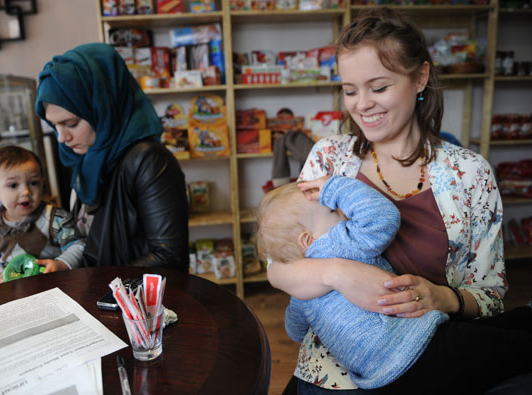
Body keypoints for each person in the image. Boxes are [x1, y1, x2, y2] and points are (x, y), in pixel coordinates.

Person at [265, 7, 530, 393]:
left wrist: (444, 298)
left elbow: (490, 296)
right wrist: (339, 274)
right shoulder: (328, 158)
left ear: (420, 77)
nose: (361, 105)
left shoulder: (470, 174)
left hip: (432, 356)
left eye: (379, 87)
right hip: (332, 373)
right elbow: (278, 265)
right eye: (350, 90)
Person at [257, 176, 532, 393]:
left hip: (384, 379)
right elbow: (383, 218)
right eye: (332, 210)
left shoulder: (302, 293)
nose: (342, 213)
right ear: (309, 239)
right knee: (507, 347)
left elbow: (294, 330)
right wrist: (335, 186)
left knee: (500, 335)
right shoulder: (341, 242)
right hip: (419, 348)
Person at [35, 43, 189, 270]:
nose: (61, 137)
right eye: (54, 125)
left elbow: (168, 257)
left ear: (103, 108)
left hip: (136, 302)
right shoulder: (85, 157)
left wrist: (93, 283)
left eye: (71, 124)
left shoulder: (149, 162)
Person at [0, 145, 85, 286]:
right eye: (13, 185)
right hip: (14, 292)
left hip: (55, 285)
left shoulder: (56, 219)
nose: (26, 191)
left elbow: (77, 246)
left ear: (42, 184)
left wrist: (61, 264)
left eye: (33, 183)